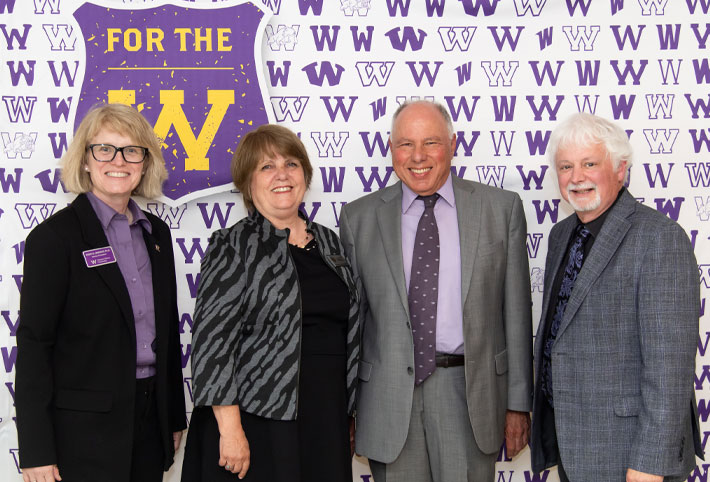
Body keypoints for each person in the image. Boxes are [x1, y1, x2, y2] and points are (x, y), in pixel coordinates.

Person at [339, 100, 533, 481]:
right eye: (405, 144)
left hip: (469, 395)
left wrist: (517, 404)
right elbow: (352, 325)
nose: (418, 156)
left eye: (431, 142)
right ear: (391, 149)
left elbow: (516, 312)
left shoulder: (500, 209)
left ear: (454, 144)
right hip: (387, 400)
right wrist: (345, 408)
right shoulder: (358, 218)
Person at [16, 103, 187, 482]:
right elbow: (34, 345)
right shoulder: (54, 238)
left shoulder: (157, 235)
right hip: (81, 433)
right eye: (105, 149)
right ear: (86, 159)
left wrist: (172, 417)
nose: (119, 161)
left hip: (148, 422)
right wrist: (36, 450)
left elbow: (168, 333)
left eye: (132, 150)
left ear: (145, 162)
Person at [530, 113, 703, 481]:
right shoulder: (562, 235)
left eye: (590, 164)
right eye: (566, 166)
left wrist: (649, 465)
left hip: (631, 455)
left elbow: (669, 371)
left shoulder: (659, 238)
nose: (576, 177)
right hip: (575, 446)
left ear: (620, 170)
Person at [181, 124, 360, 482]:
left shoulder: (331, 244)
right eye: (266, 167)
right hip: (255, 422)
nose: (282, 174)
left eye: (291, 164)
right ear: (248, 183)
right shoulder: (233, 245)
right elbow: (211, 347)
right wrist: (230, 432)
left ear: (305, 176)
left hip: (324, 417)